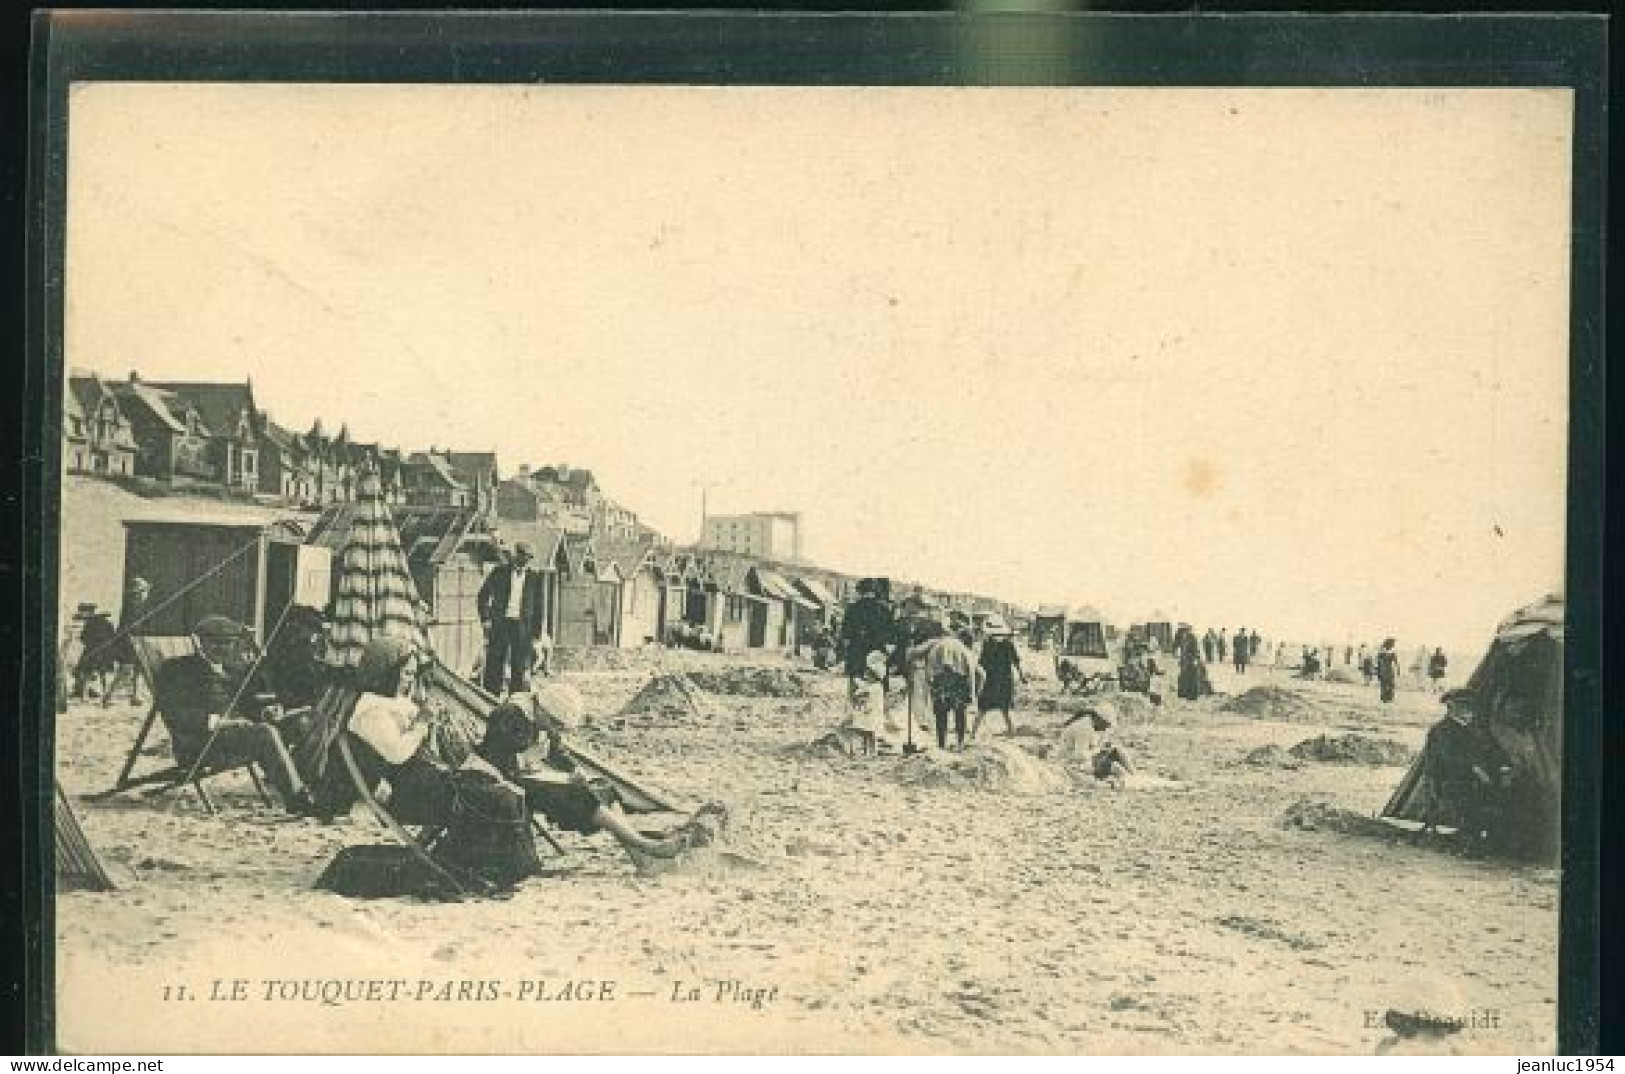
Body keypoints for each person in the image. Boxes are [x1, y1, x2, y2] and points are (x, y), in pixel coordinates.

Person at [153, 615, 317, 814]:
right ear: (201, 642)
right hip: (201, 744)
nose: (223, 649)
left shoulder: (233, 670)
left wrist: (265, 711)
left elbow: (248, 704)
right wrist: (221, 722)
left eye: (228, 643)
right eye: (216, 643)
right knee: (265, 734)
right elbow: (175, 713)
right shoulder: (178, 669)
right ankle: (298, 799)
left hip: (236, 736)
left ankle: (311, 789)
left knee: (302, 722)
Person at [1420, 688, 1512, 854]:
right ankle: (1471, 837)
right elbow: (1450, 759)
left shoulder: (1478, 729)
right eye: (1462, 705)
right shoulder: (1441, 730)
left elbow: (1495, 752)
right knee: (1467, 794)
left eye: (1470, 705)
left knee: (1514, 792)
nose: (1468, 709)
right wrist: (1475, 770)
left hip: (1481, 780)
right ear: (1450, 707)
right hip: (1451, 781)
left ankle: (1497, 840)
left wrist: (1504, 768)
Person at [476, 541, 547, 696]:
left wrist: (536, 636)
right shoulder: (499, 572)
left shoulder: (535, 578)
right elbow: (483, 596)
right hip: (500, 624)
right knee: (494, 662)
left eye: (528, 558)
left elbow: (539, 609)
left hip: (522, 627)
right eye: (521, 556)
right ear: (515, 555)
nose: (524, 561)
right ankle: (490, 698)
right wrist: (486, 619)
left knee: (519, 666)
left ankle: (516, 702)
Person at [916, 624, 983, 752]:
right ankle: (960, 743)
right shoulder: (963, 649)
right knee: (960, 714)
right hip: (958, 682)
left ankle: (941, 744)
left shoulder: (937, 643)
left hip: (939, 680)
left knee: (941, 715)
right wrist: (974, 694)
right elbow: (979, 674)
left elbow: (916, 654)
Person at [972, 615, 1025, 739]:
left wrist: (1022, 676)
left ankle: (975, 733)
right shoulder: (1001, 644)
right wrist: (1021, 676)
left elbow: (982, 664)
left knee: (992, 708)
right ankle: (1010, 731)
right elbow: (1016, 662)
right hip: (998, 680)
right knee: (995, 708)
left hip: (996, 680)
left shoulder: (993, 644)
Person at [843, 650, 888, 756]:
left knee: (870, 733)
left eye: (868, 676)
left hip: (872, 713)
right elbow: (863, 688)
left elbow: (865, 690)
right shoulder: (874, 686)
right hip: (870, 713)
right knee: (867, 733)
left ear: (874, 677)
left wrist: (857, 683)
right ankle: (867, 750)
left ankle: (871, 751)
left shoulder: (875, 687)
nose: (866, 677)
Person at [71, 604, 119, 703]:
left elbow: (83, 638)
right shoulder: (105, 622)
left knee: (88, 673)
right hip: (104, 651)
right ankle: (104, 695)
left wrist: (91, 644)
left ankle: (85, 696)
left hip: (93, 650)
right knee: (102, 674)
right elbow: (113, 637)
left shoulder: (90, 624)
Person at [1173, 624, 1211, 701]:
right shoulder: (1179, 637)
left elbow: (1195, 649)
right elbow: (1175, 646)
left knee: (1192, 677)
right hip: (1184, 659)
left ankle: (1192, 695)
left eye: (1186, 629)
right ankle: (1183, 693)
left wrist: (1195, 659)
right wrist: (1176, 653)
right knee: (1183, 675)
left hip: (1191, 659)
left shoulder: (1192, 637)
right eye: (1183, 629)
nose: (1185, 631)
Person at [1375, 638, 1400, 703]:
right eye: (1392, 643)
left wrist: (1398, 669)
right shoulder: (1383, 651)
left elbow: (1396, 661)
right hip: (1384, 669)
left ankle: (1388, 698)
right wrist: (1377, 669)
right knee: (1385, 684)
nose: (1393, 645)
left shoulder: (1389, 651)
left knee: (1389, 683)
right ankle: (1385, 698)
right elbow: (1378, 661)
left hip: (1387, 669)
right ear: (1389, 643)